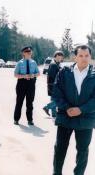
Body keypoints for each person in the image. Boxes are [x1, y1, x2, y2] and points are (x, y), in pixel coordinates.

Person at [52, 45, 95, 175]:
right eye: (81, 55)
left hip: (86, 119)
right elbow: (56, 93)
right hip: (66, 116)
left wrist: (81, 109)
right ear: (75, 57)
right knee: (60, 148)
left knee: (82, 151)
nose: (84, 58)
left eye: (87, 55)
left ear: (90, 57)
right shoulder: (64, 72)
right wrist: (68, 108)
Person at [13, 46, 40, 126]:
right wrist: (24, 76)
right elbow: (15, 74)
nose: (29, 53)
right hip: (21, 83)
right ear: (23, 53)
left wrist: (33, 75)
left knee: (30, 102)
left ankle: (30, 120)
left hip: (31, 84)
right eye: (27, 52)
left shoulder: (33, 62)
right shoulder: (19, 63)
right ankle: (16, 119)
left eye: (30, 52)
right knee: (19, 102)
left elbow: (38, 73)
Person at [43, 51, 64, 117]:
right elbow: (52, 76)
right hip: (54, 85)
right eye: (61, 56)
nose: (62, 58)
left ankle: (54, 114)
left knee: (53, 99)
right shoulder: (53, 64)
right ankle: (47, 107)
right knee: (60, 99)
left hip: (54, 85)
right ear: (57, 56)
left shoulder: (57, 63)